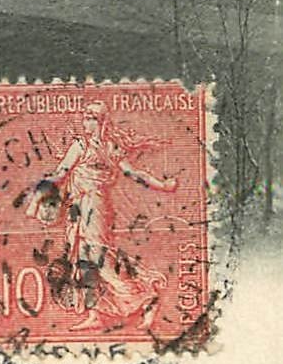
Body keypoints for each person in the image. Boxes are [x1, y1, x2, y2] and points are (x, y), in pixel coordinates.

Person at [25, 101, 179, 332]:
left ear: (103, 121)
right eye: (86, 117)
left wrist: (163, 186)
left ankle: (148, 299)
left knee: (102, 263)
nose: (88, 121)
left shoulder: (110, 147)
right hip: (78, 210)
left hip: (97, 209)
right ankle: (95, 314)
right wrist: (40, 194)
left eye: (93, 117)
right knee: (81, 263)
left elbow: (134, 173)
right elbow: (61, 173)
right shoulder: (80, 146)